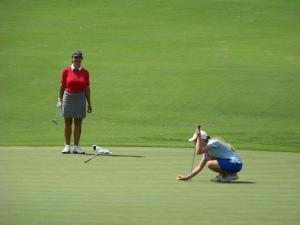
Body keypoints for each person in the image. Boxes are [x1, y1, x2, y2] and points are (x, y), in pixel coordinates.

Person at [57, 50, 92, 154]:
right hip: (68, 96)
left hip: (80, 97)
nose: (77, 59)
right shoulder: (66, 71)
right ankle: (67, 146)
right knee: (68, 122)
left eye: (79, 57)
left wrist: (89, 103)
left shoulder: (85, 72)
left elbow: (87, 88)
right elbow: (62, 85)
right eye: (75, 57)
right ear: (72, 58)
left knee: (78, 122)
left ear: (81, 59)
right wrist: (60, 99)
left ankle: (76, 146)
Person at [177, 128, 243, 182]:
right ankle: (224, 176)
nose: (195, 144)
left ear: (202, 140)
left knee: (210, 163)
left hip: (235, 164)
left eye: (196, 141)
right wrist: (187, 177)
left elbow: (198, 152)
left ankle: (232, 175)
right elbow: (199, 167)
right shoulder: (207, 150)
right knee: (208, 158)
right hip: (228, 164)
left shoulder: (213, 142)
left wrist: (199, 137)